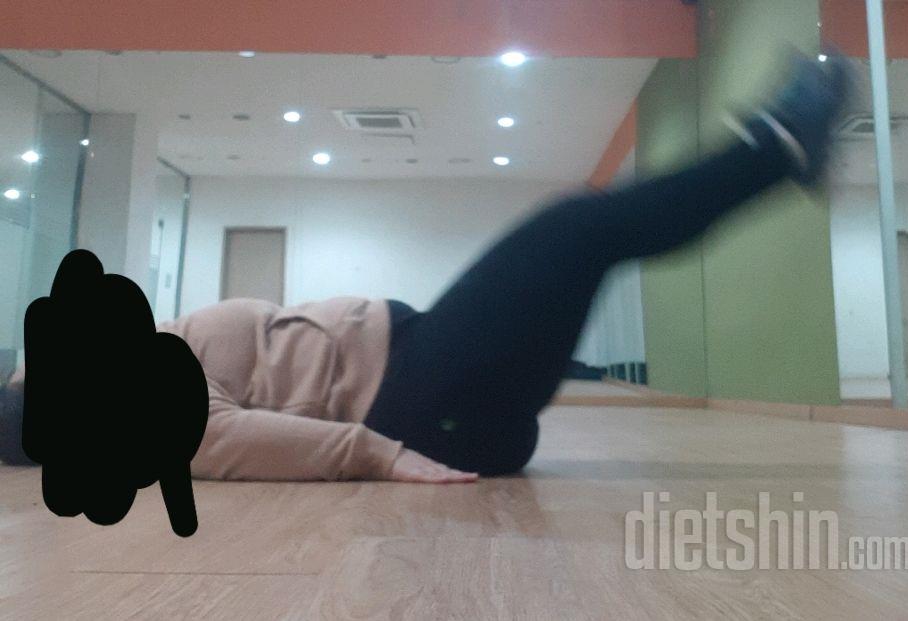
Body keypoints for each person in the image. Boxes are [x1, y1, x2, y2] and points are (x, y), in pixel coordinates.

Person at [0, 53, 851, 484]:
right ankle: (776, 149)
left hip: (422, 366)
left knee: (580, 235)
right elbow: (220, 436)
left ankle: (777, 152)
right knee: (576, 229)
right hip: (415, 398)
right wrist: (380, 457)